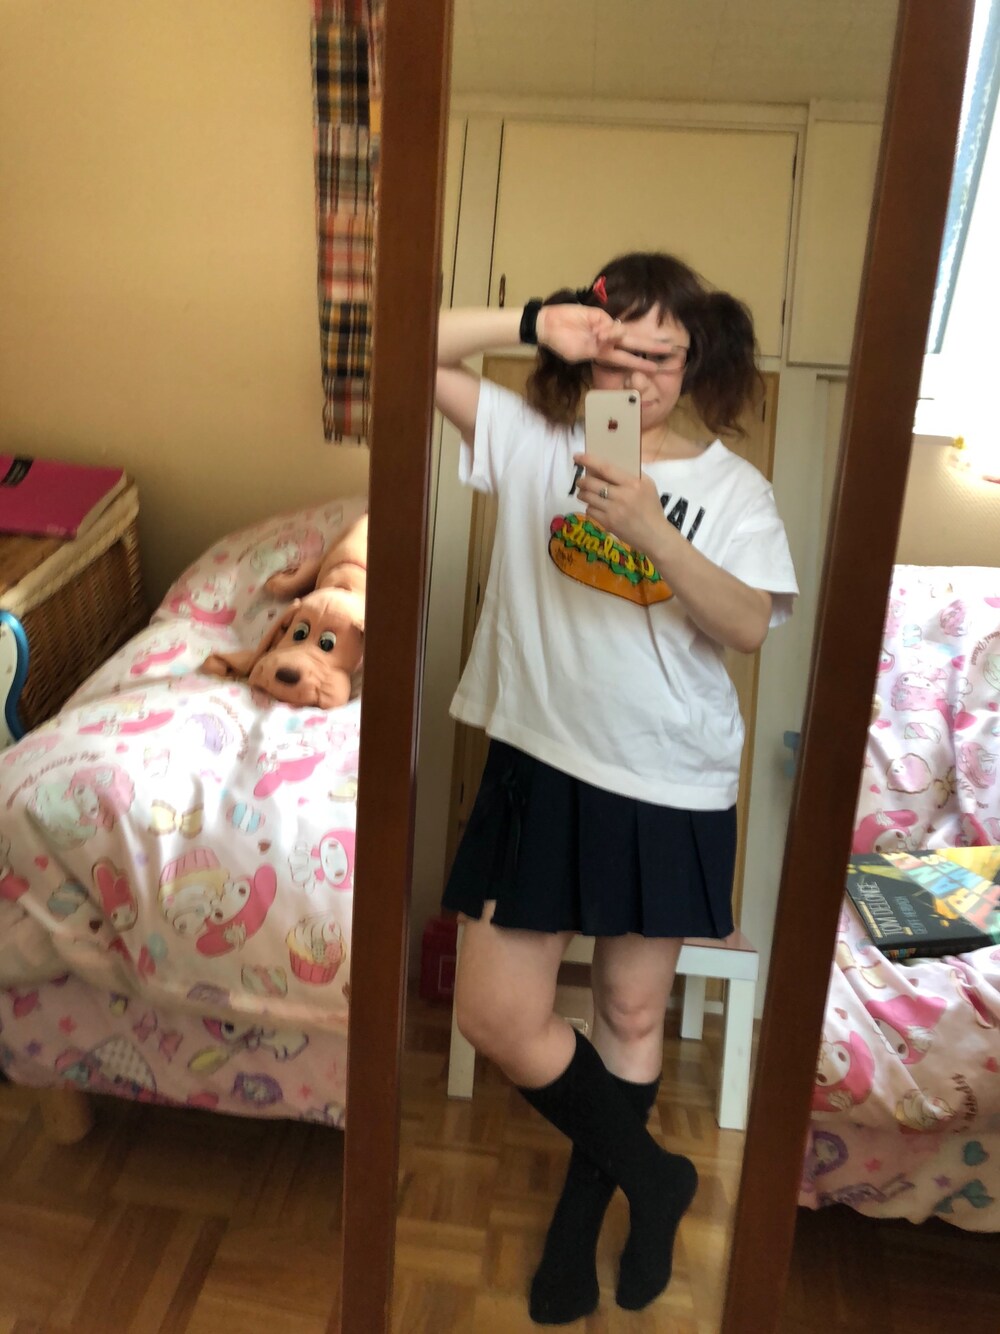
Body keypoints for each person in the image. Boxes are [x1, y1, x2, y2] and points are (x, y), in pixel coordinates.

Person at [435, 251, 798, 1325]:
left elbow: (746, 625)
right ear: (580, 352)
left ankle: (572, 1233)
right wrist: (527, 322)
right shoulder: (530, 438)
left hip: (668, 783)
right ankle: (655, 1176)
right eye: (615, 350)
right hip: (537, 768)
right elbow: (394, 350)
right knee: (497, 1015)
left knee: (631, 1010)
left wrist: (649, 527)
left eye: (662, 357)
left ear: (696, 364)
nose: (637, 376)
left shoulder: (734, 490)